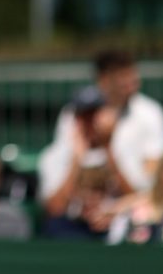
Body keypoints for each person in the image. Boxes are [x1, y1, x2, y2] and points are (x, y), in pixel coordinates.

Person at [50, 50, 163, 193]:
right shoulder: (73, 114)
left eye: (132, 74)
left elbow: (149, 178)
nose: (132, 81)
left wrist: (107, 147)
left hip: (132, 201)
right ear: (104, 79)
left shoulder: (151, 112)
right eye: (123, 76)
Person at [38, 87, 128, 240]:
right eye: (84, 116)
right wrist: (76, 161)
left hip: (115, 227)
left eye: (95, 115)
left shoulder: (124, 148)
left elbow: (137, 197)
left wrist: (109, 149)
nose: (90, 121)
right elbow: (54, 209)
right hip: (71, 230)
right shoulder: (54, 155)